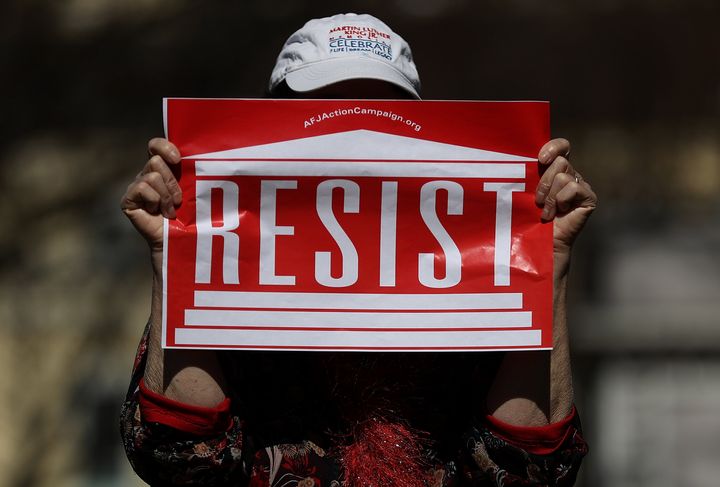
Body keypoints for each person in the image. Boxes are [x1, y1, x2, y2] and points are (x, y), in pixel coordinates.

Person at [119, 13, 596, 486]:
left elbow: (532, 470)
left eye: (378, 111)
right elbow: (178, 458)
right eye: (325, 110)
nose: (354, 136)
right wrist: (177, 257)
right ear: (267, 124)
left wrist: (546, 262)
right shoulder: (223, 256)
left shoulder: (477, 269)